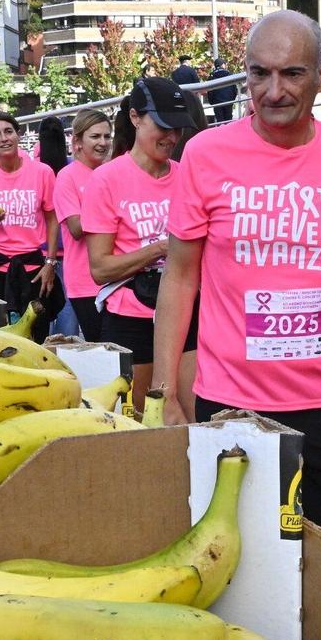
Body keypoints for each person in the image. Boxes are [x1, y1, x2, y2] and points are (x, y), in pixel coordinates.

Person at [156, 11, 321, 540]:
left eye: (291, 73)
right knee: (234, 557)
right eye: (259, 73)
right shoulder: (205, 155)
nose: (273, 91)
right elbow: (179, 278)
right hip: (233, 403)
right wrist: (165, 391)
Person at [84, 76, 193, 411]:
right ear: (135, 118)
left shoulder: (187, 175)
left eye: (177, 127)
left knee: (192, 418)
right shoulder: (106, 180)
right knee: (142, 420)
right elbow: (100, 268)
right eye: (163, 126)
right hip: (131, 316)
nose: (172, 136)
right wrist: (161, 248)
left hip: (186, 311)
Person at [0, 111, 60, 319]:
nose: (4, 138)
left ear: (18, 135)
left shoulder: (42, 172)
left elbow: (53, 219)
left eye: (8, 131)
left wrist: (50, 263)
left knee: (35, 332)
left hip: (32, 267)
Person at [55, 109, 113, 342]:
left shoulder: (112, 172)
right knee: (101, 349)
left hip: (117, 276)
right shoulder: (67, 177)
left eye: (107, 136)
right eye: (95, 136)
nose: (103, 143)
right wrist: (113, 214)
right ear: (77, 141)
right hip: (85, 281)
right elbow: (76, 228)